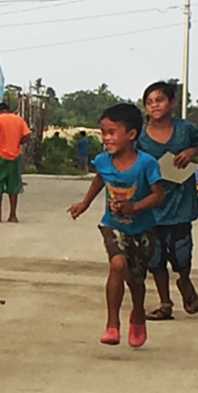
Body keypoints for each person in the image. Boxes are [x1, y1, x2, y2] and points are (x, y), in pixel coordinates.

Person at [68, 104, 163, 347]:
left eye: (112, 132)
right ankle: (112, 324)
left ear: (131, 135)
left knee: (136, 279)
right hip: (113, 224)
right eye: (103, 132)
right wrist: (85, 203)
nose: (106, 138)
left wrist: (135, 206)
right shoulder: (102, 161)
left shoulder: (146, 163)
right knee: (117, 264)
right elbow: (100, 179)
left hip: (143, 228)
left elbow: (158, 196)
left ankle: (138, 313)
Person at [136, 81, 198, 320]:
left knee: (181, 254)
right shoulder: (139, 135)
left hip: (181, 200)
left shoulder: (186, 129)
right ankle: (165, 303)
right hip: (150, 202)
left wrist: (191, 152)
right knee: (155, 257)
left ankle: (184, 280)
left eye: (160, 100)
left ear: (172, 103)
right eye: (149, 102)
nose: (155, 106)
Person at [0, 103, 30, 223]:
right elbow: (27, 136)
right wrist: (17, 143)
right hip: (15, 156)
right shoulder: (19, 119)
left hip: (1, 155)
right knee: (13, 185)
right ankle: (13, 215)